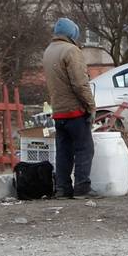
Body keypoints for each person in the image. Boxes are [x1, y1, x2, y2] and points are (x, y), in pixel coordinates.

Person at [42, 17, 96, 197]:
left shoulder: (48, 51)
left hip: (58, 111)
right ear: (72, 33)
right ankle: (82, 188)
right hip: (75, 110)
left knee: (63, 151)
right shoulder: (71, 51)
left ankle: (62, 188)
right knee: (84, 148)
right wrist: (90, 105)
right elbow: (80, 83)